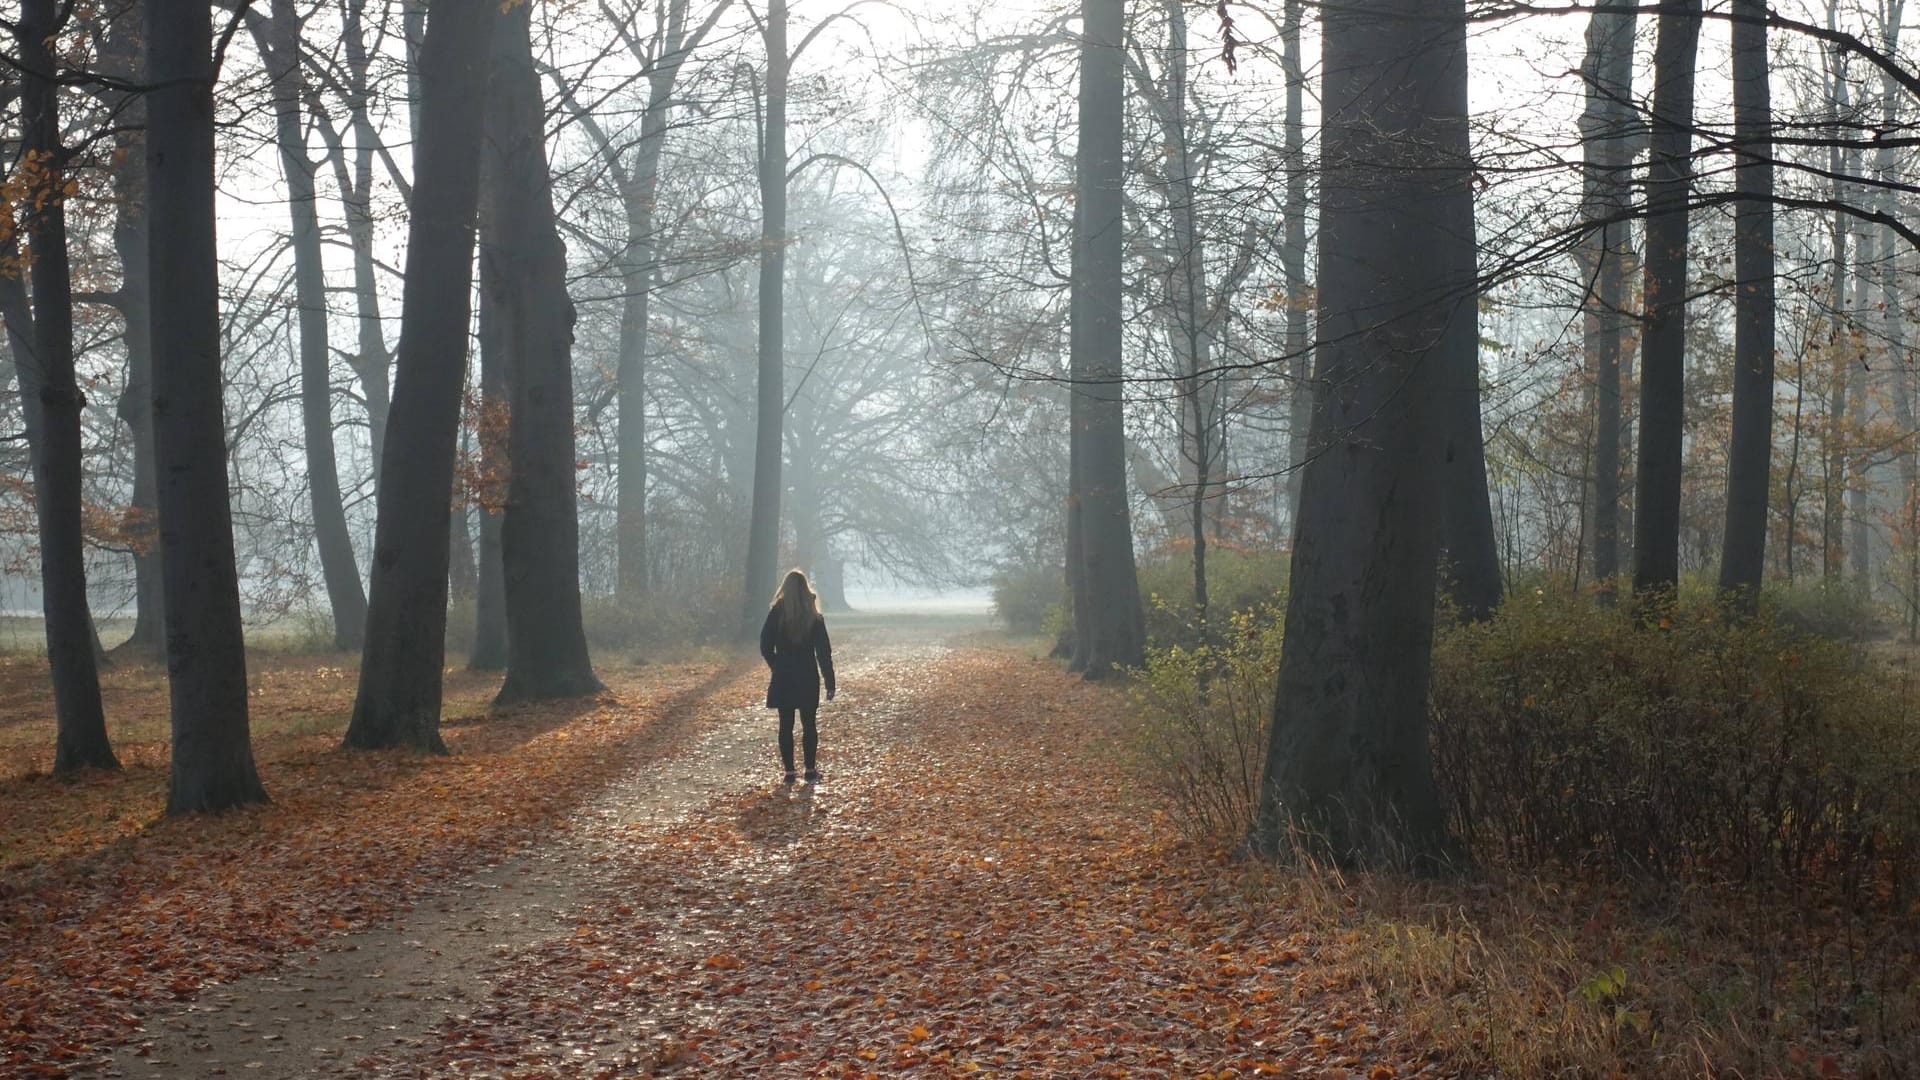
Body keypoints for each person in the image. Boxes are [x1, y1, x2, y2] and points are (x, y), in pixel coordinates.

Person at [760, 568, 836, 784]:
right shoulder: (813, 616)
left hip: (784, 674)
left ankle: (789, 772)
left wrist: (776, 665)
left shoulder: (777, 613)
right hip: (807, 674)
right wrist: (830, 681)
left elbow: (765, 644)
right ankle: (810, 770)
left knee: (785, 724)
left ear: (785, 589)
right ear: (805, 589)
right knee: (809, 724)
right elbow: (823, 652)